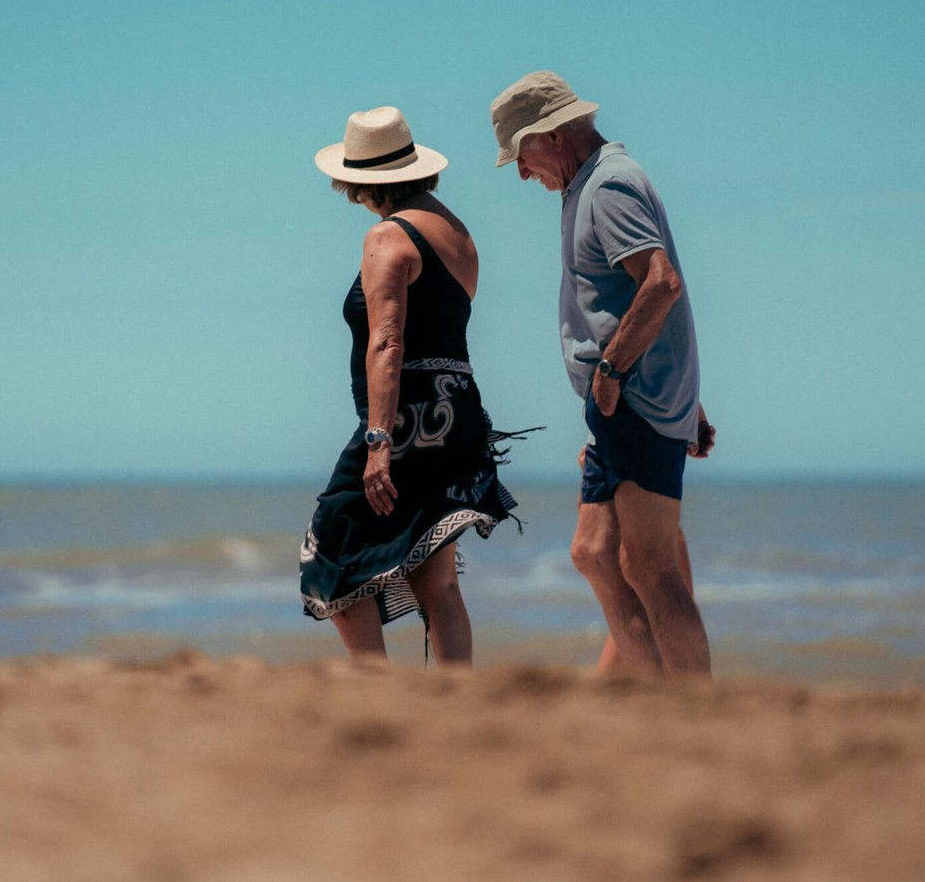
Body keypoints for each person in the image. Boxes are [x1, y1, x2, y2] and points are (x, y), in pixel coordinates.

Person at [490, 71, 715, 678]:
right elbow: (638, 296)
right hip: (626, 400)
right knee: (592, 552)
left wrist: (614, 370)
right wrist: (688, 402)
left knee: (650, 566)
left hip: (632, 398)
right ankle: (652, 696)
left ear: (555, 137)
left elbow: (662, 283)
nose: (520, 171)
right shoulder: (586, 187)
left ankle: (697, 711)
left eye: (522, 153)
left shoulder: (609, 185)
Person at [300, 106, 525, 665]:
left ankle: (375, 691)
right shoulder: (457, 233)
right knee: (437, 576)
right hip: (458, 413)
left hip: (408, 422)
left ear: (359, 180)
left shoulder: (388, 237)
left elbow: (389, 343)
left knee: (331, 552)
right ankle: (455, 704)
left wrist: (378, 441)